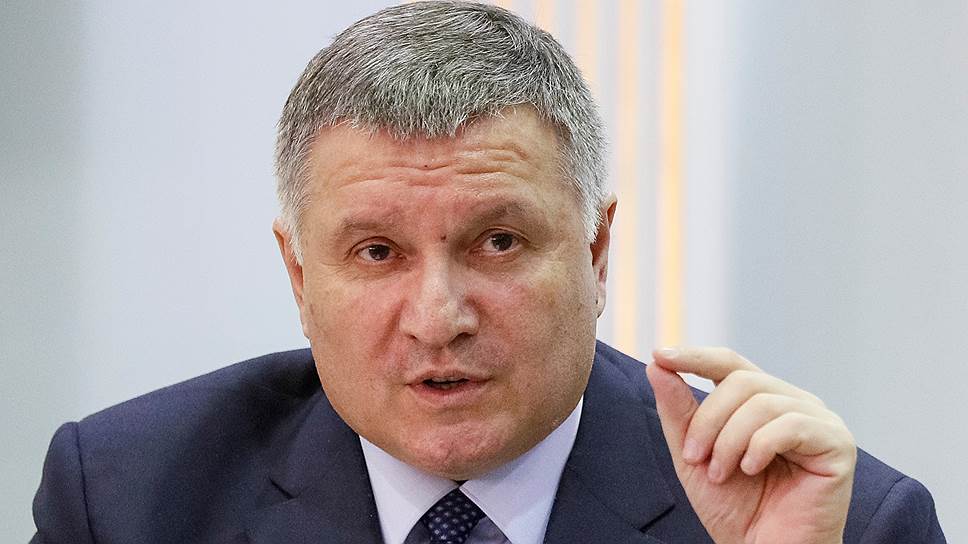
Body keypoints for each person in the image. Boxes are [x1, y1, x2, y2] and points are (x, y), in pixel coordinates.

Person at [31, 2, 945, 543]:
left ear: (596, 252)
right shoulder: (127, 500)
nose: (438, 318)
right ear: (299, 277)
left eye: (498, 242)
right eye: (377, 253)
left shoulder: (834, 521)